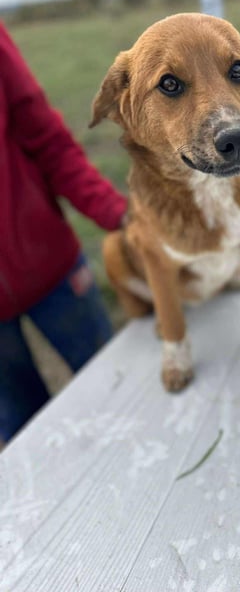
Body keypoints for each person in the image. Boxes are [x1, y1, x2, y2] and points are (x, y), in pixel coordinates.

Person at [0, 23, 128, 443]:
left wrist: (118, 213)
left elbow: (47, 139)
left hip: (51, 267)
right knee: (23, 433)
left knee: (115, 390)